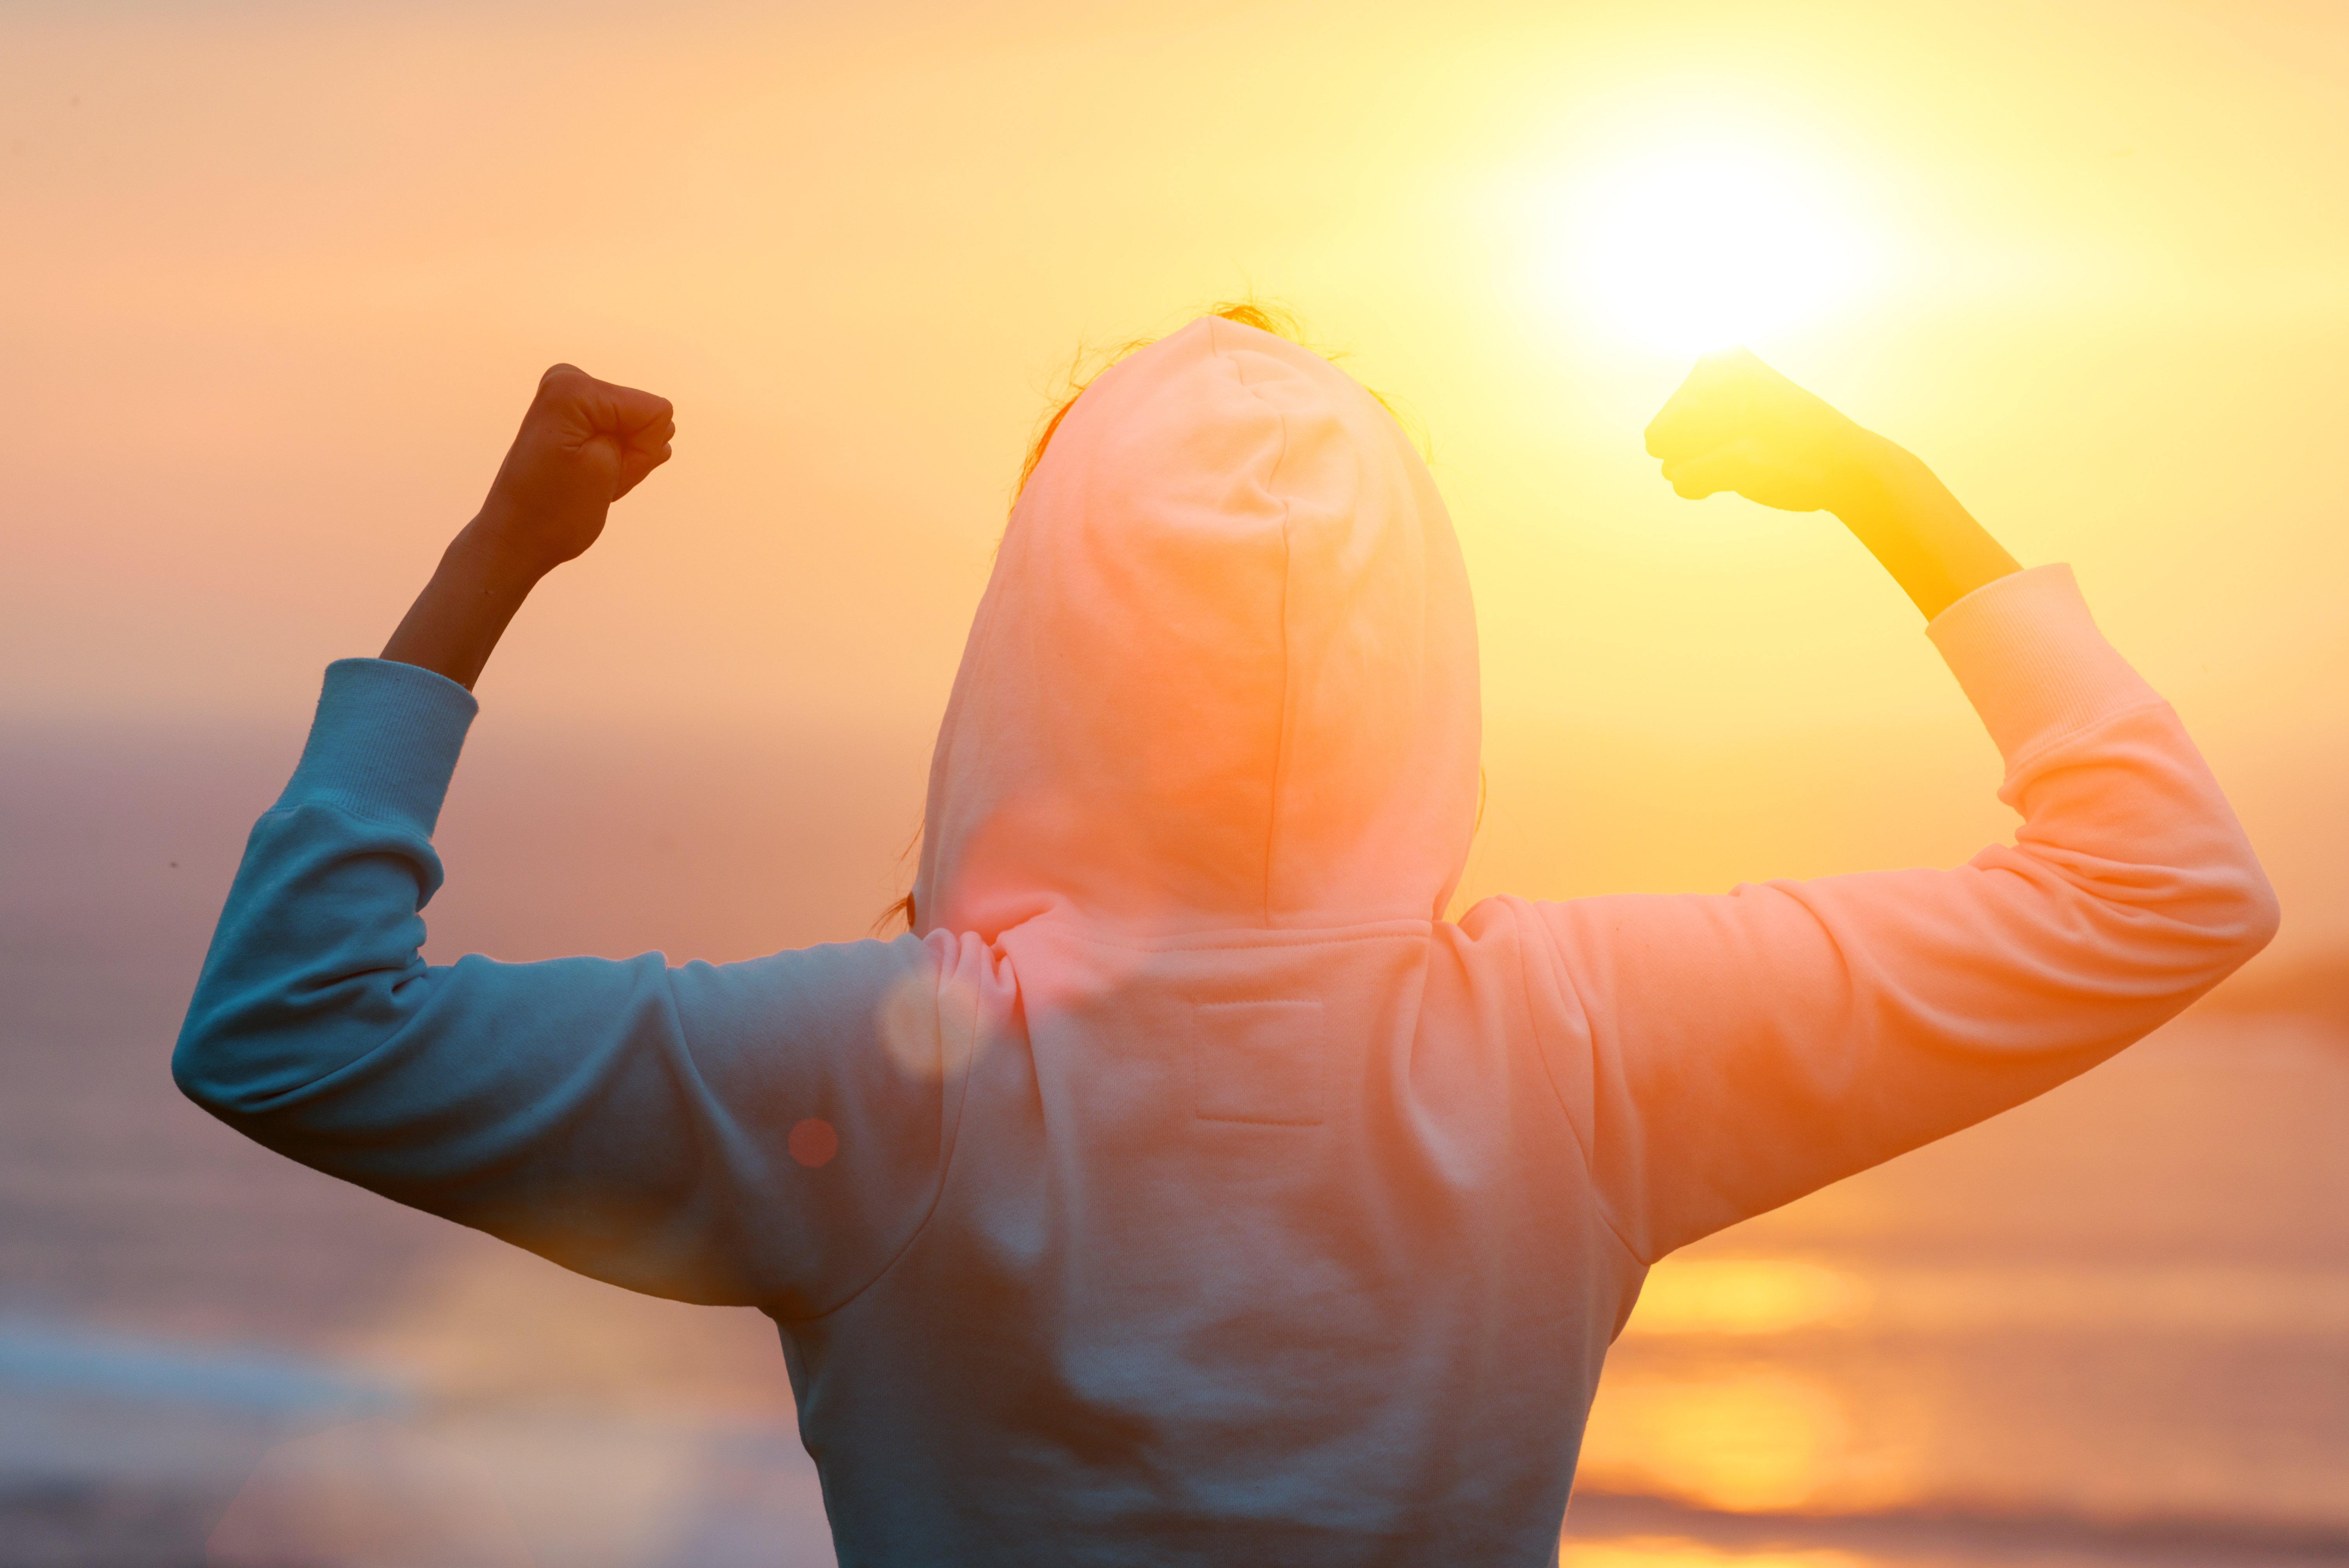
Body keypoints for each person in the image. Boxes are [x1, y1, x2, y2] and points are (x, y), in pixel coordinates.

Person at [175, 305, 2278, 1566]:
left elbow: (288, 1027)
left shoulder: (878, 1078)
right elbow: (2172, 886)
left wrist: (499, 558)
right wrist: (1883, 489)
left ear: (1037, 644)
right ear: (1419, 650)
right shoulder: (1584, 1051)